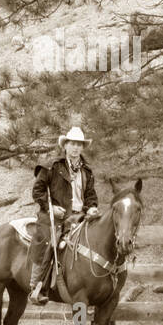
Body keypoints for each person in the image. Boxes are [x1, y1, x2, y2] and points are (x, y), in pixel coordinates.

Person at [29, 127, 100, 305]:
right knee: (50, 242)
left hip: (80, 217)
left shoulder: (87, 171)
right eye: (72, 144)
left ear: (83, 148)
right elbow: (37, 191)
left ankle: (97, 284)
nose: (76, 148)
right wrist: (51, 207)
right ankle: (38, 286)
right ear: (65, 145)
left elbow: (91, 195)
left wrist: (91, 207)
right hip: (57, 217)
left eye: (79, 145)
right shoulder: (52, 166)